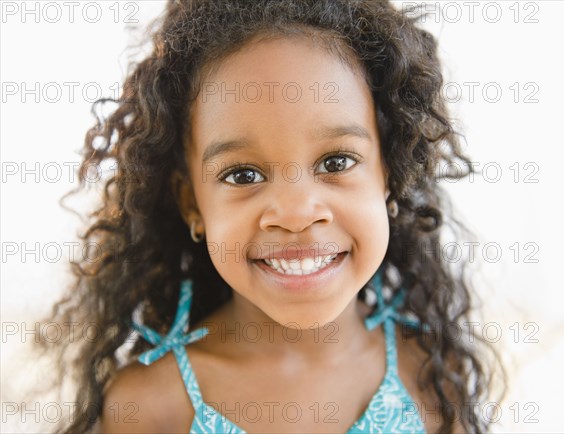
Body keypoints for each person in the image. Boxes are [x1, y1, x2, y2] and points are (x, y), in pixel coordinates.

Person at [42, 1, 503, 433]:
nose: (297, 214)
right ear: (192, 203)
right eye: (243, 174)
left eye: (337, 162)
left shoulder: (428, 370)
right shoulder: (151, 406)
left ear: (389, 173)